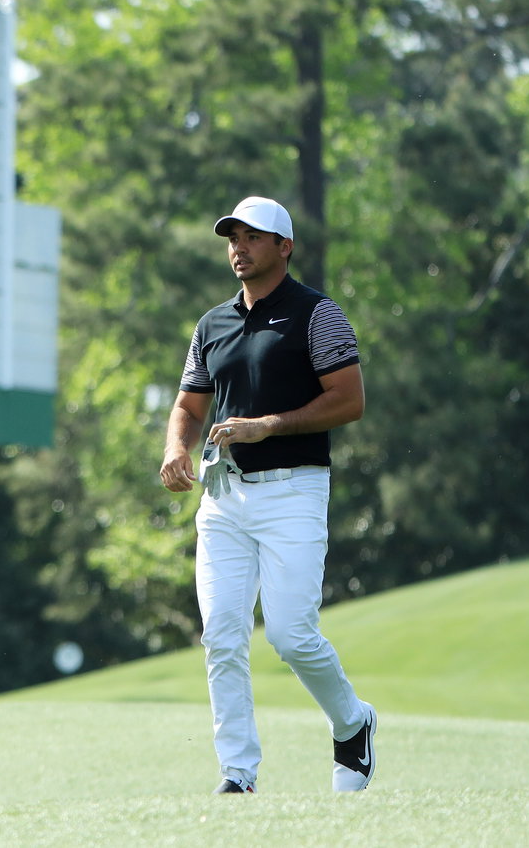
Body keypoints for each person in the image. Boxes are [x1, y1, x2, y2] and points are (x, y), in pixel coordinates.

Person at [158, 196, 377, 796]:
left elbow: (350, 401)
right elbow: (189, 406)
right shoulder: (212, 324)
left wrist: (268, 426)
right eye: (233, 237)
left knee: (290, 634)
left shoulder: (318, 314)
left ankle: (352, 724)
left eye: (253, 237)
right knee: (222, 635)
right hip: (223, 497)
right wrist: (176, 447)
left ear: (284, 247)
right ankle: (238, 772)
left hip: (294, 491)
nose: (239, 247)